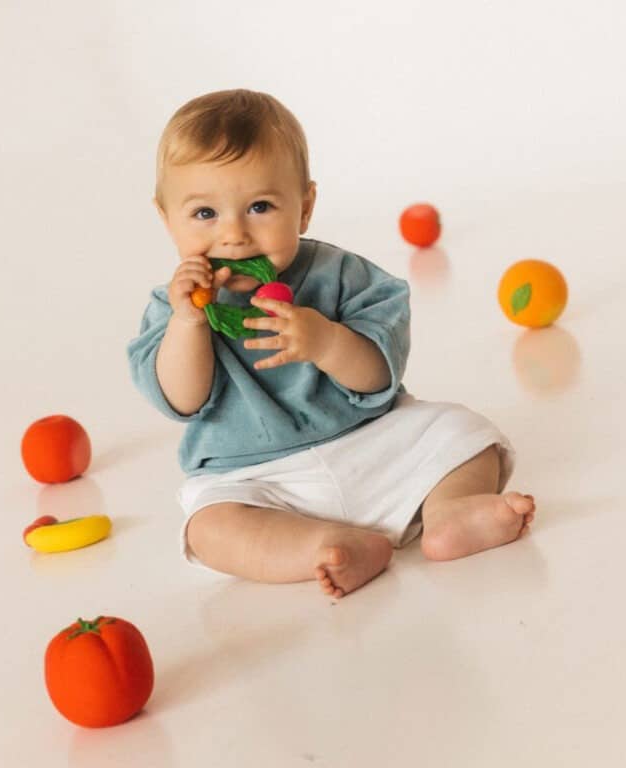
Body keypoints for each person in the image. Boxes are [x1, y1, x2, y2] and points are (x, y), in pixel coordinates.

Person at [127, 89, 535, 599]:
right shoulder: (175, 306)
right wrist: (189, 324)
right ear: (167, 220)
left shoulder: (342, 275)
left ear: (304, 207)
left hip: (371, 440)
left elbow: (378, 377)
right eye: (205, 214)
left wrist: (326, 342)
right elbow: (182, 400)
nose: (233, 235)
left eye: (259, 207)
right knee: (209, 528)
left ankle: (448, 511)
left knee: (465, 431)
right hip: (257, 477)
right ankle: (323, 545)